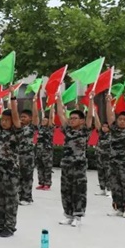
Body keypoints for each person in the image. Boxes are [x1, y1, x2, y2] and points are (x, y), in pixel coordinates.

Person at [56, 91, 94, 226]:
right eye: (70, 118)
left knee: (79, 191)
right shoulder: (68, 130)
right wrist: (58, 99)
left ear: (81, 121)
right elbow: (60, 114)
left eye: (75, 118)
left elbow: (90, 116)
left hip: (79, 166)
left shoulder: (85, 131)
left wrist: (90, 100)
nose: (71, 120)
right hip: (66, 165)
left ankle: (78, 217)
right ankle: (68, 215)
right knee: (66, 190)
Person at [0, 90, 21, 238]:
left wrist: (12, 96)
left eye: (8, 120)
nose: (5, 122)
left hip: (10, 171)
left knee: (10, 199)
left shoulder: (16, 131)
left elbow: (14, 113)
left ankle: (9, 226)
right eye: (3, 120)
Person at [17, 104, 39, 205]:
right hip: (18, 155)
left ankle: (27, 197)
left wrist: (34, 103)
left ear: (30, 118)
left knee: (27, 176)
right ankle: (20, 195)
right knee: (18, 176)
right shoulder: (18, 127)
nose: (22, 119)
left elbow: (36, 117)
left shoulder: (31, 127)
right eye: (21, 117)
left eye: (24, 117)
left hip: (28, 156)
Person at [35, 105, 55, 191]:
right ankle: (41, 183)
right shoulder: (40, 127)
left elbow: (51, 118)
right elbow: (37, 118)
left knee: (47, 167)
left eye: (45, 120)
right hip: (39, 150)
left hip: (47, 150)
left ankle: (47, 183)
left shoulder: (50, 128)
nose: (43, 121)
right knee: (40, 167)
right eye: (43, 120)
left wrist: (51, 107)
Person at [95, 122, 112, 197]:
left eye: (106, 127)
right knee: (100, 173)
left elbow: (106, 143)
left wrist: (98, 148)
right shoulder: (101, 134)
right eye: (103, 126)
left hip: (107, 157)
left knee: (108, 173)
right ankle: (102, 189)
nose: (104, 128)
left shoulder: (110, 135)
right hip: (100, 157)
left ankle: (109, 190)